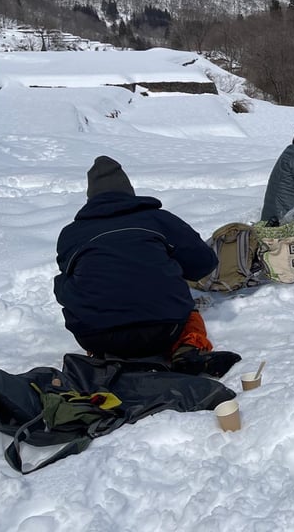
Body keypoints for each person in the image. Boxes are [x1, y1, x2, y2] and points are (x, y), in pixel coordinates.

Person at [54, 156, 241, 376]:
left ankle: (102, 360)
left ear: (90, 197)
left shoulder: (71, 234)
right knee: (186, 309)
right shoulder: (158, 220)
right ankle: (187, 349)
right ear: (129, 191)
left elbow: (66, 283)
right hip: (164, 330)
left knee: (67, 285)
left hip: (98, 336)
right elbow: (204, 264)